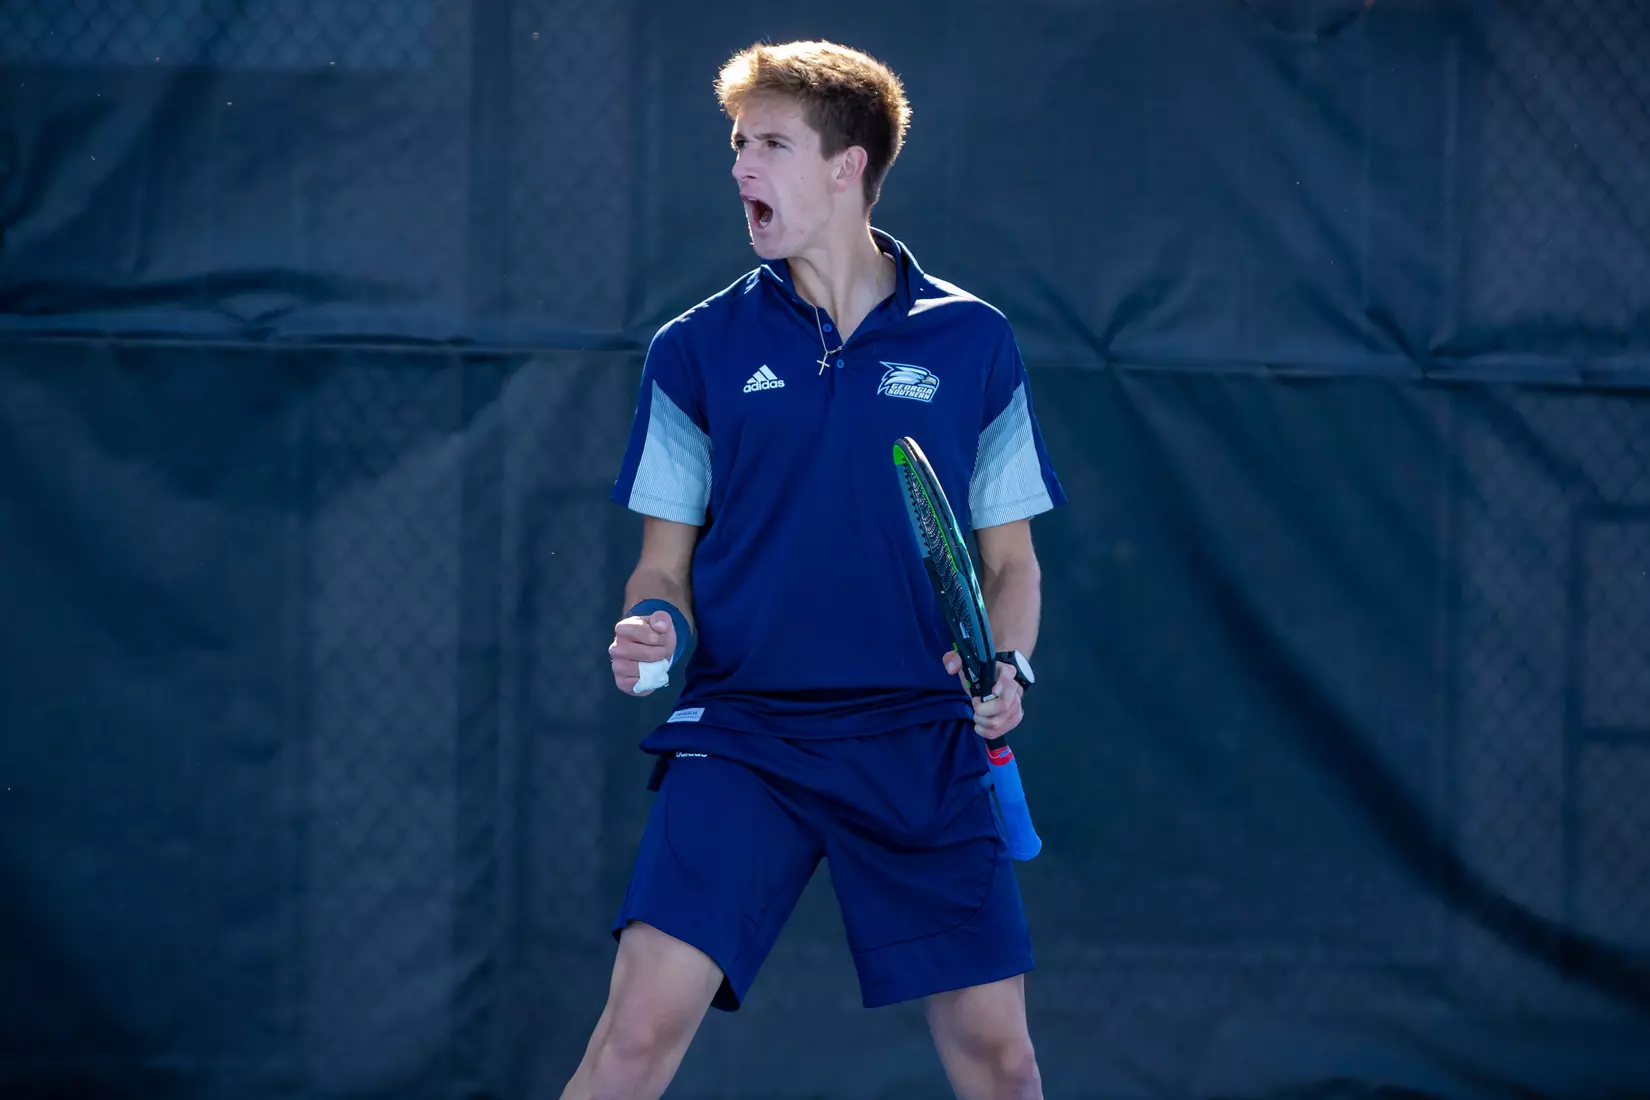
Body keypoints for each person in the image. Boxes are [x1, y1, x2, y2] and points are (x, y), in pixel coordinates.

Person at [561, 39, 1066, 1100]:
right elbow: (662, 569)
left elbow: (1009, 559)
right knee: (637, 1029)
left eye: (772, 144)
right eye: (737, 143)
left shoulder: (976, 342)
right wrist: (653, 626)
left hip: (923, 740)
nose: (742, 165)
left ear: (849, 165)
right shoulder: (692, 350)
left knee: (1002, 1062)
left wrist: (1008, 666)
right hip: (750, 734)